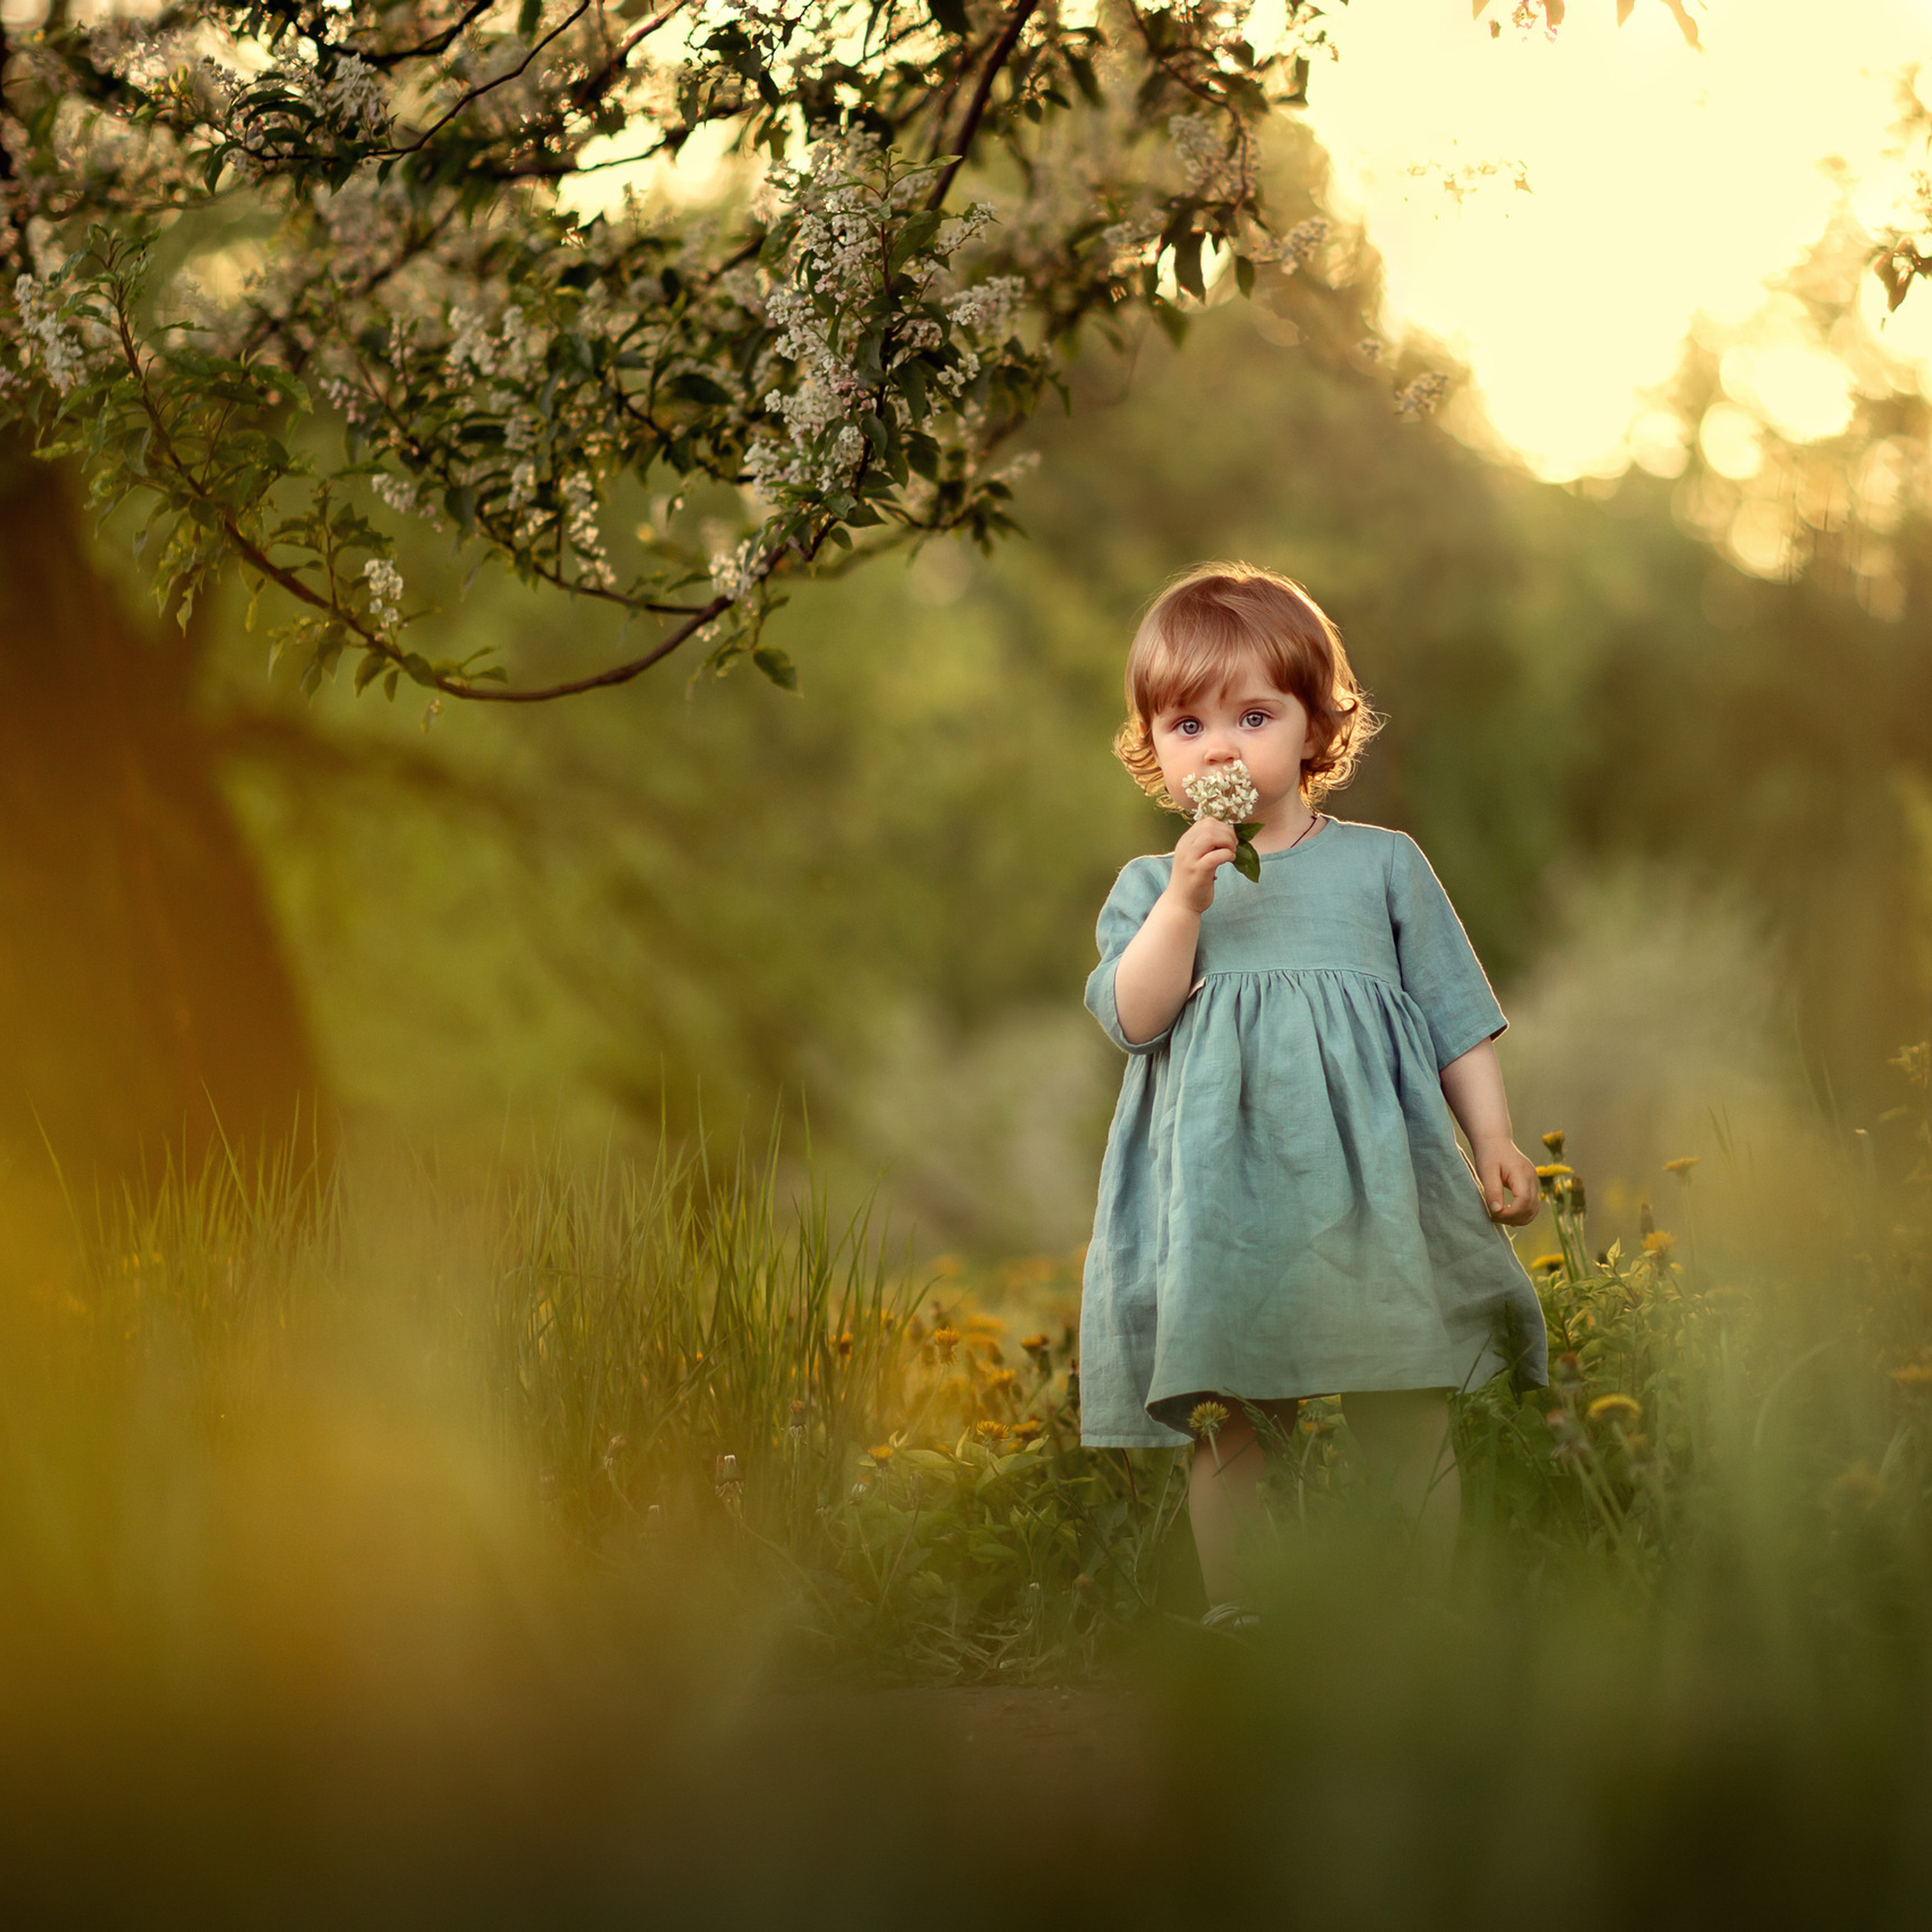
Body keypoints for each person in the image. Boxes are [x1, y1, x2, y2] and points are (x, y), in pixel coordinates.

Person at [1079, 562, 1548, 1622]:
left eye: (1253, 714)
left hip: (1369, 1184)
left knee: (1403, 1401)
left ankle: (1417, 1616)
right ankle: (1241, 1616)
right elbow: (1134, 1018)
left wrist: (1496, 1136)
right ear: (1154, 748)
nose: (1224, 747)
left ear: (1314, 727)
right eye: (1188, 724)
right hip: (1224, 1202)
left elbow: (1453, 1015)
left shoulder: (1384, 866)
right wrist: (1190, 897)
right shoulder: (1152, 890)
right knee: (1232, 1421)